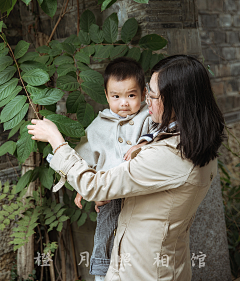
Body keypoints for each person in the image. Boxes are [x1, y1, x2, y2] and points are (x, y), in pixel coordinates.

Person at [28, 54, 225, 281]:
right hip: (161, 263)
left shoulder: (168, 154)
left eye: (150, 94)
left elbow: (93, 186)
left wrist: (56, 139)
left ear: (176, 99)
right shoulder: (195, 141)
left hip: (142, 272)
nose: (146, 101)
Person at [46, 57, 160, 281]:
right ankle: (101, 274)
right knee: (104, 234)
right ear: (106, 96)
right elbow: (85, 159)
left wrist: (144, 141)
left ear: (143, 94)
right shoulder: (98, 126)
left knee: (138, 238)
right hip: (109, 194)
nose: (124, 103)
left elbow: (162, 130)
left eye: (131, 95)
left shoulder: (147, 117)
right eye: (116, 97)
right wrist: (82, 188)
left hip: (140, 192)